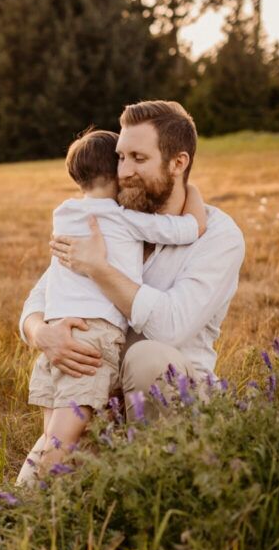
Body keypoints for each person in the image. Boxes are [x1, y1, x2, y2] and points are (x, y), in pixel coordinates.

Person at [18, 101, 246, 474]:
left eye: (139, 158)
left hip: (175, 402)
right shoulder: (109, 219)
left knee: (146, 359)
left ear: (178, 162)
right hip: (97, 393)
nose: (124, 171)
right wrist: (42, 333)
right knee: (30, 487)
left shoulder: (220, 237)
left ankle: (161, 473)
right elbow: (41, 295)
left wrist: (99, 268)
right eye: (120, 157)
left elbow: (170, 327)